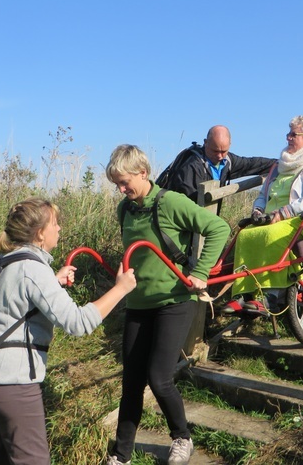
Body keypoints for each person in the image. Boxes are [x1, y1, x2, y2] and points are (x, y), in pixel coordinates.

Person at [0, 198, 137, 465]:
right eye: (56, 224)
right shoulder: (32, 268)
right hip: (12, 383)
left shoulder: (1, 259)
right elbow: (78, 323)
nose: (60, 229)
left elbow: (14, 300)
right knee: (33, 460)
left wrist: (53, 281)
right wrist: (120, 289)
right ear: (41, 232)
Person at [105, 145, 230, 465]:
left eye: (124, 182)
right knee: (131, 381)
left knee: (159, 377)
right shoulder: (126, 209)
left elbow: (218, 228)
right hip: (138, 303)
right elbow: (135, 252)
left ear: (143, 173)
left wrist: (201, 271)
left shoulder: (171, 202)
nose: (121, 190)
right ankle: (121, 456)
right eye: (116, 184)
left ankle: (182, 438)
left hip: (175, 300)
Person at [225, 115, 303, 315]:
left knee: (273, 236)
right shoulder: (279, 166)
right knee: (246, 235)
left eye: (293, 134)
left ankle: (271, 296)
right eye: (288, 133)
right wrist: (258, 210)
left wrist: (285, 212)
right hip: (273, 218)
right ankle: (245, 293)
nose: (288, 138)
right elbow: (263, 195)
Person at [160, 124, 275, 203]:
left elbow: (252, 164)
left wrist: (282, 164)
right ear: (206, 143)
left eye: (223, 151)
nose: (219, 156)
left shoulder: (227, 161)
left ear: (230, 144)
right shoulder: (191, 167)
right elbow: (185, 205)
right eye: (215, 151)